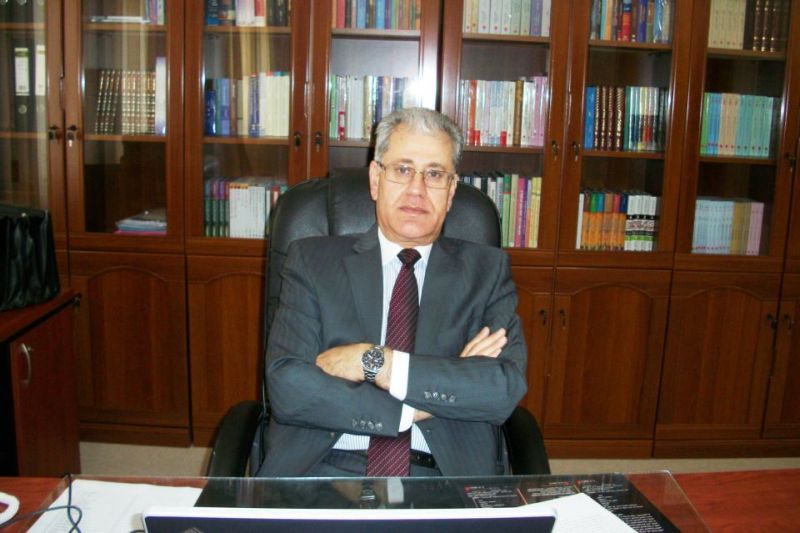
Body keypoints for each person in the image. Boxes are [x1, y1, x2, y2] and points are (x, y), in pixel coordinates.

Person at [257, 107, 527, 477]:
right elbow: (289, 387)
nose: (417, 189)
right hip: (324, 465)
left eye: (434, 174)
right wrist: (420, 404)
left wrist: (376, 362)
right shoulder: (312, 261)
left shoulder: (486, 271)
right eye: (402, 169)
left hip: (442, 475)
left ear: (451, 191)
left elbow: (501, 389)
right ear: (375, 179)